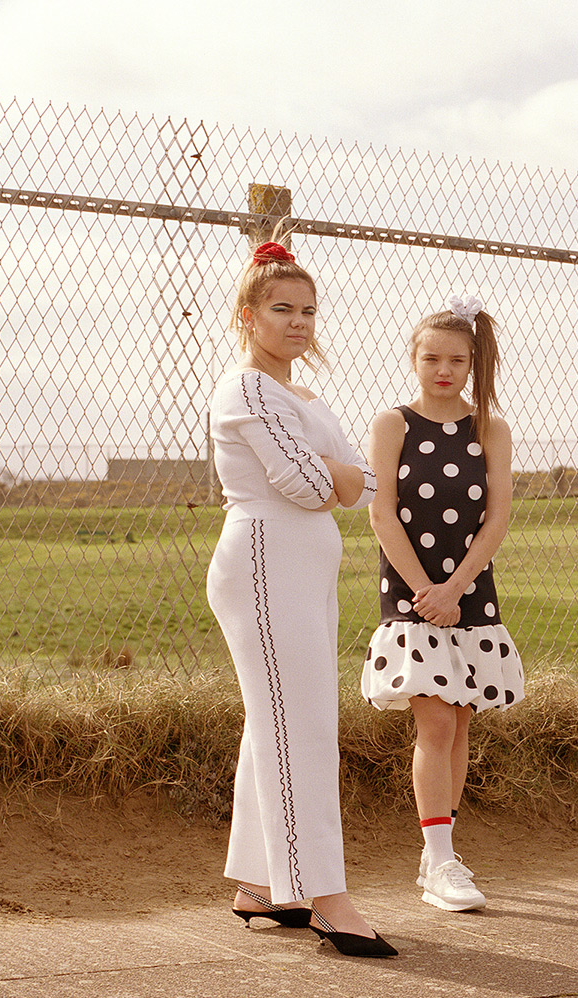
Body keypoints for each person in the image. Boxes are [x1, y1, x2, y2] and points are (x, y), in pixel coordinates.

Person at [206, 239, 396, 958]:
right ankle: (327, 898)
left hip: (302, 566)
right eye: (282, 309)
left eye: (308, 311)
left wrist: (335, 472)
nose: (298, 322)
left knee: (277, 721)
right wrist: (335, 471)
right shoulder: (246, 388)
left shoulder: (302, 396)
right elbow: (312, 486)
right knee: (302, 726)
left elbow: (363, 485)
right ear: (248, 316)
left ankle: (259, 883)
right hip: (263, 559)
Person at [360, 296, 525, 912]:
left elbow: (498, 515)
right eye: (431, 358)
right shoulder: (391, 424)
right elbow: (381, 513)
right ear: (413, 359)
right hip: (410, 593)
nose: (443, 370)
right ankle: (439, 861)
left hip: (470, 593)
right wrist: (425, 592)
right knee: (432, 722)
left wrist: (456, 589)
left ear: (474, 363)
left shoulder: (492, 429)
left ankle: (442, 854)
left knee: (458, 726)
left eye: (456, 360)